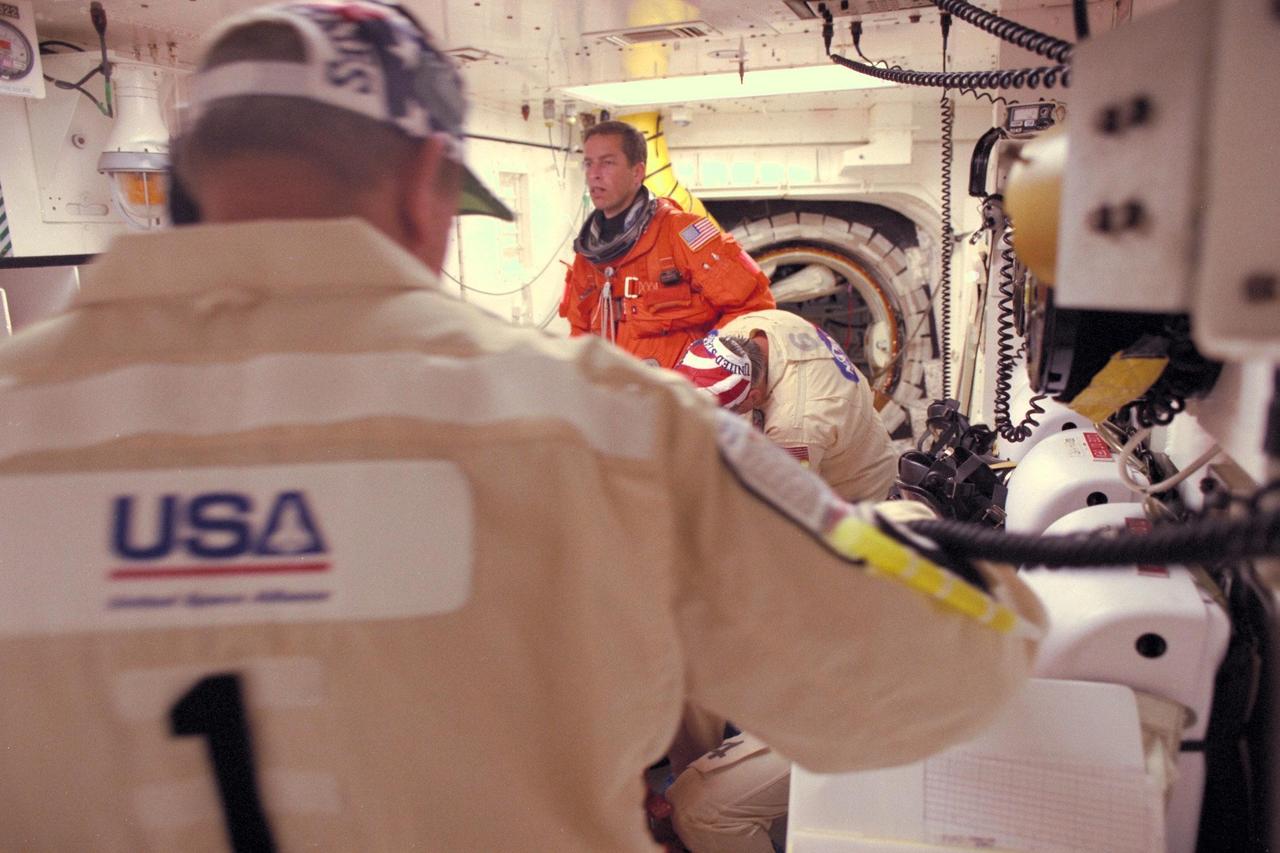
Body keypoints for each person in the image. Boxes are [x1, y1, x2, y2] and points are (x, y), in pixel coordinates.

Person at [0, 3, 1045, 851]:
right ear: (423, 185)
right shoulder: (616, 428)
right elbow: (947, 662)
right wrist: (906, 540)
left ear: (171, 184)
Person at [666, 315, 898, 852]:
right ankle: (702, 771)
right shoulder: (757, 328)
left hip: (848, 498)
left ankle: (703, 789)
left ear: (756, 396)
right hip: (855, 453)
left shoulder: (796, 425)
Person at [559, 120, 776, 369]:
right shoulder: (589, 255)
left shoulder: (682, 233)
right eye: (588, 163)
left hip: (682, 395)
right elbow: (580, 329)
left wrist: (705, 368)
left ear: (637, 172)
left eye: (607, 162)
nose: (594, 173)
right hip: (615, 396)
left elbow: (754, 307)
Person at [676, 310, 899, 502]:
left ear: (753, 397)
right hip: (842, 431)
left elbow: (784, 509)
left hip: (856, 492)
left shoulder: (795, 427)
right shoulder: (746, 330)